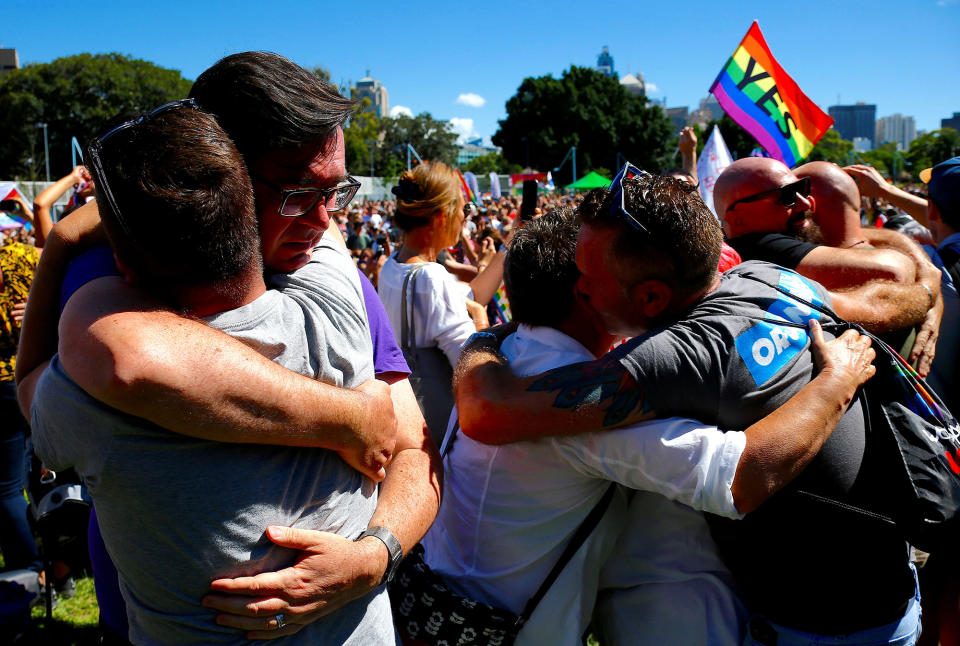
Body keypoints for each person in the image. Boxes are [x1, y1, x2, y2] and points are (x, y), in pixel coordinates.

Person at [17, 52, 439, 641]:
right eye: (295, 192)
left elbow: (416, 450)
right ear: (226, 171)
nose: (322, 221)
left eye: (335, 191)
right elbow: (125, 354)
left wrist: (374, 554)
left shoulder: (332, 276)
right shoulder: (110, 274)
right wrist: (348, 415)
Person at [454, 170, 921, 644]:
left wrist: (484, 336)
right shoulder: (764, 278)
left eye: (589, 280)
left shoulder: (669, 358)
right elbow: (888, 300)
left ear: (652, 296)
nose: (582, 291)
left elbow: (486, 410)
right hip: (895, 586)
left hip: (821, 625)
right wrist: (930, 296)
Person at [715, 157, 942, 376]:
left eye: (802, 189)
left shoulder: (769, 240)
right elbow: (893, 272)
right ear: (739, 218)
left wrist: (922, 266)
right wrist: (928, 289)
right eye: (786, 196)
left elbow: (866, 241)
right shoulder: (762, 247)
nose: (806, 203)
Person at [377, 162, 505, 441]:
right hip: (440, 433)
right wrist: (482, 324)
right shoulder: (432, 278)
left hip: (407, 418)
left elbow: (469, 295)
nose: (465, 217)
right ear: (441, 217)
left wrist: (509, 246)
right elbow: (477, 375)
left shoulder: (392, 266)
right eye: (463, 209)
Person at [0, 232, 41, 578]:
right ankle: (54, 567)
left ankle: (29, 569)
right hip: (34, 373)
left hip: (9, 384)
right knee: (36, 476)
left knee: (8, 487)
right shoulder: (23, 256)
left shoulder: (22, 257)